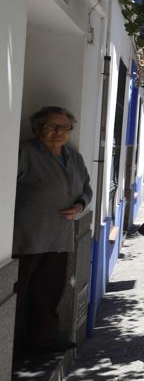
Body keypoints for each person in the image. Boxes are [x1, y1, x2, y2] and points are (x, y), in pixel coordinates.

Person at [13, 106, 92, 357]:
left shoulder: (73, 156)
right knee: (21, 294)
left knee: (49, 292)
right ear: (37, 128)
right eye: (51, 126)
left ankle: (44, 342)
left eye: (65, 128)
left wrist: (80, 205)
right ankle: (14, 348)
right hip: (27, 237)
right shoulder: (25, 151)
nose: (58, 132)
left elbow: (86, 190)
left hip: (60, 237)